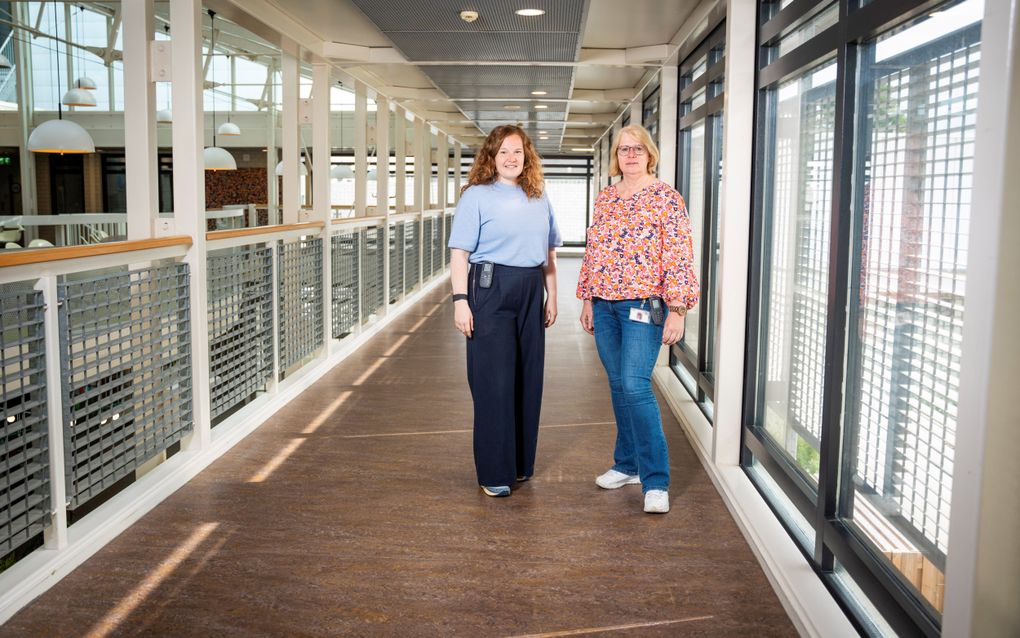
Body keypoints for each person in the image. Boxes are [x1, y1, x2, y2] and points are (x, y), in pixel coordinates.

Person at [576, 124, 699, 514]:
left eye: (638, 149)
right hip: (605, 305)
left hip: (644, 306)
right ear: (617, 156)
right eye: (624, 149)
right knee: (618, 386)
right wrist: (586, 299)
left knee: (635, 385)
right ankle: (627, 465)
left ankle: (656, 480)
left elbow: (679, 255)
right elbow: (594, 249)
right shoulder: (606, 198)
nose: (630, 155)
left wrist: (677, 309)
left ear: (650, 154)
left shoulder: (667, 198)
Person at [448, 124, 562, 498]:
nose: (511, 159)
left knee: (528, 379)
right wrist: (460, 302)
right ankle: (494, 472)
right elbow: (460, 254)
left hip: (530, 289)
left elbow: (549, 254)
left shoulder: (539, 195)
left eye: (517, 152)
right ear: (491, 158)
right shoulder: (476, 196)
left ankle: (520, 464)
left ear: (526, 156)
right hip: (489, 289)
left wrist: (553, 296)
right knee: (494, 383)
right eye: (503, 153)